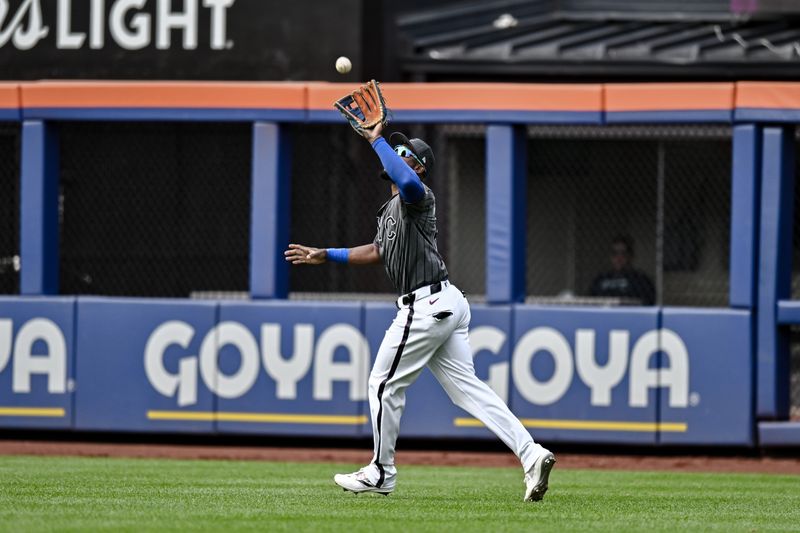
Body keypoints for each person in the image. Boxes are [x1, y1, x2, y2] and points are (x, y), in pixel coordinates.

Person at [284, 121, 555, 502]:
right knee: (469, 393)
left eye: (405, 152)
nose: (398, 153)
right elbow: (378, 251)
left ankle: (381, 471)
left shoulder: (418, 194)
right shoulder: (390, 209)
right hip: (443, 303)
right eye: (396, 149)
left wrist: (376, 140)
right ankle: (532, 454)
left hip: (426, 304)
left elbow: (408, 183)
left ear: (420, 166)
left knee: (382, 383)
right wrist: (326, 254)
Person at [589, 235, 655, 305]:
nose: (618, 258)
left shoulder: (640, 280)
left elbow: (647, 302)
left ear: (631, 256)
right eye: (614, 253)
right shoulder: (601, 278)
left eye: (623, 253)